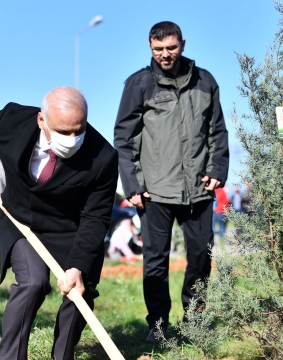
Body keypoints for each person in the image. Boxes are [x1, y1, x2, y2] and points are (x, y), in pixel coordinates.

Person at [0, 87, 118, 360]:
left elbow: (95, 217)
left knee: (79, 291)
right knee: (33, 283)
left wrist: (77, 266)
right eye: (63, 131)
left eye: (78, 130)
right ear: (42, 121)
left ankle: (62, 356)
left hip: (69, 228)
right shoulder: (12, 122)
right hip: (21, 220)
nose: (72, 139)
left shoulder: (103, 157)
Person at [114, 21, 229, 341]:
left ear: (183, 44)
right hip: (155, 192)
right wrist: (132, 186)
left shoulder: (206, 81)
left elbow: (217, 131)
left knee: (200, 258)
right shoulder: (139, 84)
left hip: (198, 190)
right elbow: (124, 138)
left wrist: (218, 169)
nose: (165, 54)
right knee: (155, 262)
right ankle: (158, 325)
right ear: (151, 47)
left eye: (171, 47)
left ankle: (194, 319)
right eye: (158, 49)